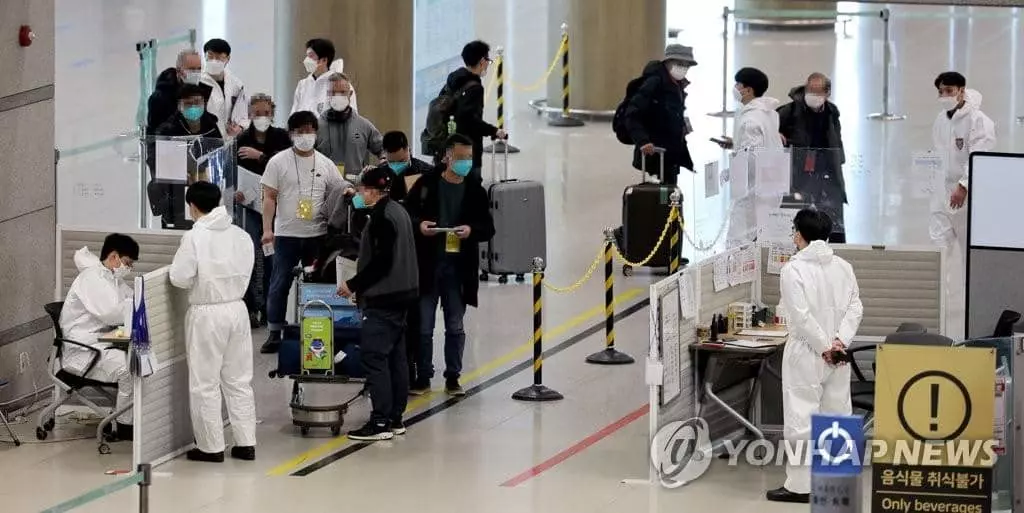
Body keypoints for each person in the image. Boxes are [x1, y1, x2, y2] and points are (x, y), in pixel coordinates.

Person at [770, 209, 863, 503]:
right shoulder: (844, 267)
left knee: (801, 417)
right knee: (838, 414)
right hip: (838, 353)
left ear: (799, 234)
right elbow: (855, 308)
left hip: (806, 352)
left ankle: (799, 487)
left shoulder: (793, 270)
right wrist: (838, 342)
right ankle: (836, 485)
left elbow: (800, 315)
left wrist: (823, 346)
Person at [169, 181, 257, 463]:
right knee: (239, 380)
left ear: (192, 207)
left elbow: (179, 277)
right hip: (238, 310)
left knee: (205, 382)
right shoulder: (241, 235)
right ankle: (246, 443)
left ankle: (211, 447)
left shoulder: (195, 236)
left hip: (207, 313)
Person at [404, 135, 496, 395]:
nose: (466, 162)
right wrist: (419, 225)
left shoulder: (475, 191)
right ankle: (423, 375)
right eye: (461, 157)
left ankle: (453, 376)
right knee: (424, 326)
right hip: (428, 266)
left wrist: (471, 229)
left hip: (458, 270)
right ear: (447, 157)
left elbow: (488, 227)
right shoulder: (426, 184)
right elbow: (407, 214)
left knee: (455, 325)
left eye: (469, 157)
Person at [337, 167, 419, 441]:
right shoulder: (399, 211)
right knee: (395, 358)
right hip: (402, 294)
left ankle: (381, 421)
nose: (360, 194)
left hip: (384, 297)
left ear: (372, 191)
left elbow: (381, 262)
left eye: (362, 190)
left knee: (374, 357)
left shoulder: (383, 217)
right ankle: (395, 418)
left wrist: (352, 284)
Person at [260, 111, 348, 353]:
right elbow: (268, 197)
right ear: (291, 134)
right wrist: (267, 230)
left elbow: (338, 192)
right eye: (300, 131)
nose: (305, 136)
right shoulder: (277, 162)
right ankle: (275, 331)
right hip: (286, 235)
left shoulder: (325, 163)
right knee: (279, 284)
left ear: (316, 133)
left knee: (319, 284)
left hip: (317, 236)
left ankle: (318, 327)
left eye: (309, 130)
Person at [930, 71, 996, 339]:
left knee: (969, 252)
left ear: (961, 90)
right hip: (941, 195)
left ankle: (973, 308)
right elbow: (936, 154)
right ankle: (942, 305)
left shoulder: (979, 121)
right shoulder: (940, 119)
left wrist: (964, 185)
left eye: (949, 90)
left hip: (967, 197)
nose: (945, 95)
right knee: (940, 248)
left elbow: (981, 156)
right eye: (941, 91)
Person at [59, 234, 139, 441]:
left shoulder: (111, 278)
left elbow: (133, 299)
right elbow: (112, 312)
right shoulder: (92, 279)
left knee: (138, 361)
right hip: (83, 351)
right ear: (114, 257)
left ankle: (130, 418)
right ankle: (124, 425)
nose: (128, 268)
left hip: (99, 344)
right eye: (127, 263)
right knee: (128, 368)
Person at [234, 93, 292, 326]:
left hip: (275, 208)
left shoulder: (281, 138)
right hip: (248, 207)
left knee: (272, 258)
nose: (261, 117)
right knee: (248, 255)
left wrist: (261, 157)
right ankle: (249, 307)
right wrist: (235, 193)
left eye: (266, 113)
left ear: (272, 114)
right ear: (249, 115)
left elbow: (286, 167)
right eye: (257, 113)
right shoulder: (241, 139)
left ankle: (271, 309)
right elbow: (231, 171)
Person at [777, 72, 848, 243]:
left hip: (826, 172)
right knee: (798, 218)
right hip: (798, 174)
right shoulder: (790, 111)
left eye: (817, 91)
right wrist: (776, 134)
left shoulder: (832, 112)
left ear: (827, 93)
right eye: (810, 90)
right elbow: (769, 126)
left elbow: (836, 139)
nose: (812, 95)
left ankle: (834, 250)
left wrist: (839, 161)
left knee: (832, 217)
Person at [148, 84, 223, 230]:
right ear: (180, 105)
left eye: (197, 102)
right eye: (188, 103)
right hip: (176, 195)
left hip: (206, 192)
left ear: (204, 103)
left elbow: (219, 152)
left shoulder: (211, 125)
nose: (193, 107)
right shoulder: (167, 129)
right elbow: (154, 159)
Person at [623, 44, 697, 185]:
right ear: (668, 62)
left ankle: (668, 205)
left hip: (672, 151)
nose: (683, 68)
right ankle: (664, 205)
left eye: (686, 65)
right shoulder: (654, 83)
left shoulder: (678, 84)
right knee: (663, 194)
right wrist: (642, 140)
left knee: (669, 193)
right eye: (679, 63)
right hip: (656, 152)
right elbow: (632, 113)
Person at [440, 40, 507, 171]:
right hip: (467, 148)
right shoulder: (475, 88)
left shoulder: (453, 79)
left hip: (448, 143)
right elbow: (470, 121)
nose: (488, 63)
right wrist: (494, 131)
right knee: (471, 186)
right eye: (487, 59)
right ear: (482, 61)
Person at [315, 73, 383, 178]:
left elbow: (383, 149)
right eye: (333, 93)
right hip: (325, 190)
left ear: (350, 94)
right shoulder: (316, 126)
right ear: (327, 94)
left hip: (355, 189)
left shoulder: (364, 125)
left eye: (342, 92)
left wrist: (381, 166)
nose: (337, 97)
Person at [716, 67, 783, 152]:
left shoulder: (750, 119)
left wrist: (738, 146)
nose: (734, 87)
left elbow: (751, 156)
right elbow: (764, 145)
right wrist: (736, 143)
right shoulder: (770, 113)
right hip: (773, 163)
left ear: (748, 90)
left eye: (737, 84)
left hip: (757, 165)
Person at [291, 38, 357, 116]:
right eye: (307, 56)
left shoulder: (340, 85)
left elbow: (351, 116)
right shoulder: (303, 84)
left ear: (324, 60)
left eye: (311, 56)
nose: (306, 60)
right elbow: (294, 113)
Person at [198, 38, 248, 137]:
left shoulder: (236, 84)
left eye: (219, 57)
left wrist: (240, 127)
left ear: (228, 59)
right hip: (204, 138)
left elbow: (243, 114)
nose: (214, 61)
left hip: (227, 139)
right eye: (210, 56)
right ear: (205, 56)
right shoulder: (197, 82)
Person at [147, 49, 203, 133]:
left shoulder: (201, 91)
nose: (196, 73)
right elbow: (154, 133)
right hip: (171, 144)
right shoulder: (160, 98)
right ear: (179, 71)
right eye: (191, 69)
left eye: (199, 69)